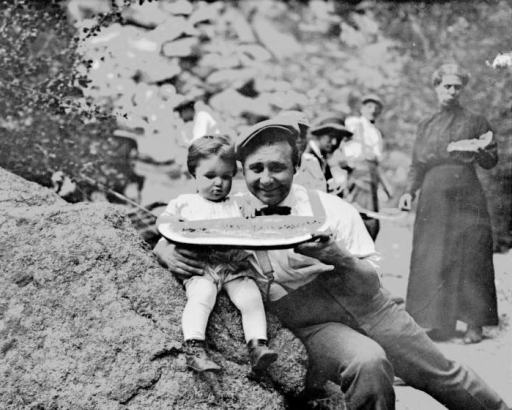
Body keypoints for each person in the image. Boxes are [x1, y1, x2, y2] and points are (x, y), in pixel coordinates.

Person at [154, 118, 510, 410]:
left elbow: (372, 283)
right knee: (368, 363)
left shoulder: (333, 210)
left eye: (277, 167)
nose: (266, 179)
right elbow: (180, 223)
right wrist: (163, 250)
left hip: (369, 306)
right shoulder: (233, 209)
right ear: (241, 172)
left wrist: (337, 256)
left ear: (296, 165)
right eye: (255, 169)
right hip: (314, 320)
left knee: (441, 374)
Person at [156, 135, 278, 373]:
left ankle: (258, 345)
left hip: (233, 266)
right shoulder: (185, 203)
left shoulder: (238, 203)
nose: (219, 183)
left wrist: (250, 212)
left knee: (251, 297)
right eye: (210, 176)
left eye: (226, 176)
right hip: (201, 266)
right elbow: (164, 225)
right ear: (194, 174)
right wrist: (172, 223)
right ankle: (194, 348)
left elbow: (254, 225)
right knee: (202, 296)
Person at [398, 63, 499, 344]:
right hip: (432, 195)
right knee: (432, 254)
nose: (452, 92)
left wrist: (480, 150)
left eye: (457, 86)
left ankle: (474, 323)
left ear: (463, 89)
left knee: (472, 253)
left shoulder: (477, 121)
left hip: (467, 192)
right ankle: (436, 322)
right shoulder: (427, 124)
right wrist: (409, 191)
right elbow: (417, 164)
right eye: (446, 86)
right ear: (436, 88)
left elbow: (491, 161)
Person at [344, 94, 393, 240]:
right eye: (369, 107)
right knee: (361, 215)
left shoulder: (376, 133)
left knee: (371, 218)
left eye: (376, 108)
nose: (373, 110)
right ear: (362, 108)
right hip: (356, 171)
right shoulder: (353, 122)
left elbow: (376, 162)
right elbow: (342, 143)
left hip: (371, 174)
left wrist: (386, 186)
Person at [299, 113, 350, 196]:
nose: (334, 142)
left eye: (339, 139)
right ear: (319, 134)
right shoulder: (306, 159)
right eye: (330, 137)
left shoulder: (324, 160)